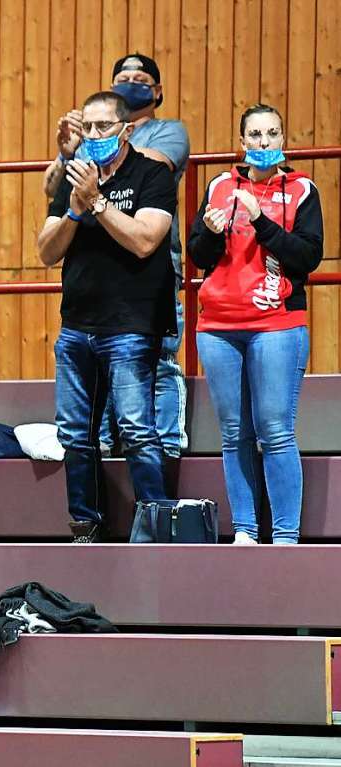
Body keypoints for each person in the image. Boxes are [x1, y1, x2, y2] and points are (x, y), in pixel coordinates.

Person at [44, 53, 190, 491]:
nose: (92, 135)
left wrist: (98, 203)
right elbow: (46, 251)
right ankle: (85, 528)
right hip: (77, 325)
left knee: (135, 428)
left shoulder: (152, 173)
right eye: (86, 127)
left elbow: (146, 240)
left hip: (132, 323)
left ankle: (154, 519)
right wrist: (73, 210)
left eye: (102, 127)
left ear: (126, 130)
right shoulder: (76, 178)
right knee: (74, 433)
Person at [187, 104, 322, 544]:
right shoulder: (221, 185)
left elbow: (306, 258)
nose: (264, 143)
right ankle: (244, 530)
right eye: (256, 135)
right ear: (242, 141)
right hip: (219, 326)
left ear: (284, 140)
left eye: (273, 134)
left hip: (276, 323)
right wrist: (209, 231)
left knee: (275, 431)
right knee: (234, 434)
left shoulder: (302, 189)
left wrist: (261, 221)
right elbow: (199, 255)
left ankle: (285, 536)